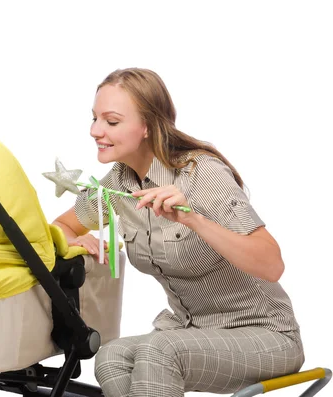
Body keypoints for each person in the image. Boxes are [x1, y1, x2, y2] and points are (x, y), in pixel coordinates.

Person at [51, 68, 304, 397]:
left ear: (146, 127)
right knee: (111, 357)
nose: (95, 130)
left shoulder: (201, 174)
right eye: (95, 118)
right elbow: (61, 226)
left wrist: (194, 220)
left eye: (111, 122)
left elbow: (272, 265)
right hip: (192, 331)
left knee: (159, 350)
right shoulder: (117, 184)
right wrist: (77, 238)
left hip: (265, 335)